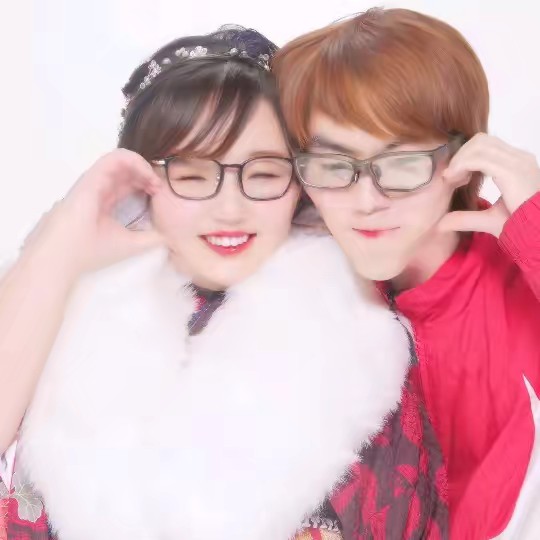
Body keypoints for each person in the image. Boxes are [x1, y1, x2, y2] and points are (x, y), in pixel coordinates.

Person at [0, 26, 414, 540]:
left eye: (264, 174)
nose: (230, 209)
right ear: (139, 181)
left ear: (300, 184)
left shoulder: (362, 345)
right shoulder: (56, 309)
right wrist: (57, 244)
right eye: (192, 175)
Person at [274, 7, 540, 539]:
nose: (366, 201)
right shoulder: (298, 294)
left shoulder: (522, 287)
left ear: (466, 159)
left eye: (401, 164)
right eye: (333, 166)